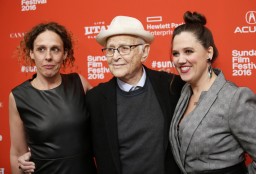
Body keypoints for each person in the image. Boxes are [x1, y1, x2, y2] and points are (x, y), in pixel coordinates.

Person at [85, 16, 184, 174]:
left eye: (124, 48)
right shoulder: (95, 99)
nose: (115, 56)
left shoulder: (171, 86)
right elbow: (79, 149)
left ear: (144, 51)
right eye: (110, 49)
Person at [169, 11, 256, 174]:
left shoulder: (234, 98)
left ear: (208, 52)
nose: (180, 60)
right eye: (176, 53)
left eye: (188, 51)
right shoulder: (184, 92)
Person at [9, 22, 97, 174]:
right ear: (31, 53)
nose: (48, 57)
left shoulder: (79, 83)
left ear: (64, 54)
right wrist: (20, 164)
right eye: (41, 49)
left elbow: (107, 115)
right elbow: (17, 154)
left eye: (55, 49)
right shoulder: (18, 96)